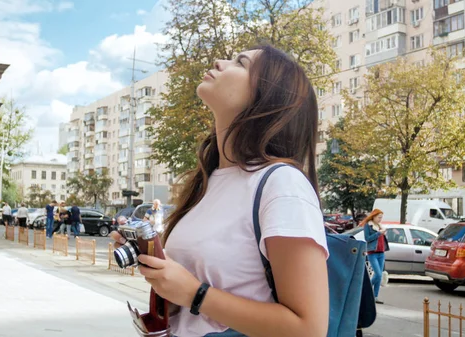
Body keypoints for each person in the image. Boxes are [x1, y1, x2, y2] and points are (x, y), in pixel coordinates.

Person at [112, 45, 329, 337]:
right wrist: (156, 267)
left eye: (240, 63)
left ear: (268, 97)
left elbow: (308, 329)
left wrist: (196, 294)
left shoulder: (282, 184)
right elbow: (195, 308)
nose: (219, 61)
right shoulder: (209, 181)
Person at [360, 209, 389, 304]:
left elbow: (381, 240)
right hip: (373, 252)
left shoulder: (379, 226)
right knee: (378, 274)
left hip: (381, 252)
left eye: (381, 217)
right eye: (379, 217)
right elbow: (367, 238)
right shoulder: (368, 225)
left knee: (379, 276)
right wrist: (379, 233)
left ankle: (375, 296)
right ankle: (365, 290)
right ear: (374, 216)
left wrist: (384, 234)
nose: (380, 219)